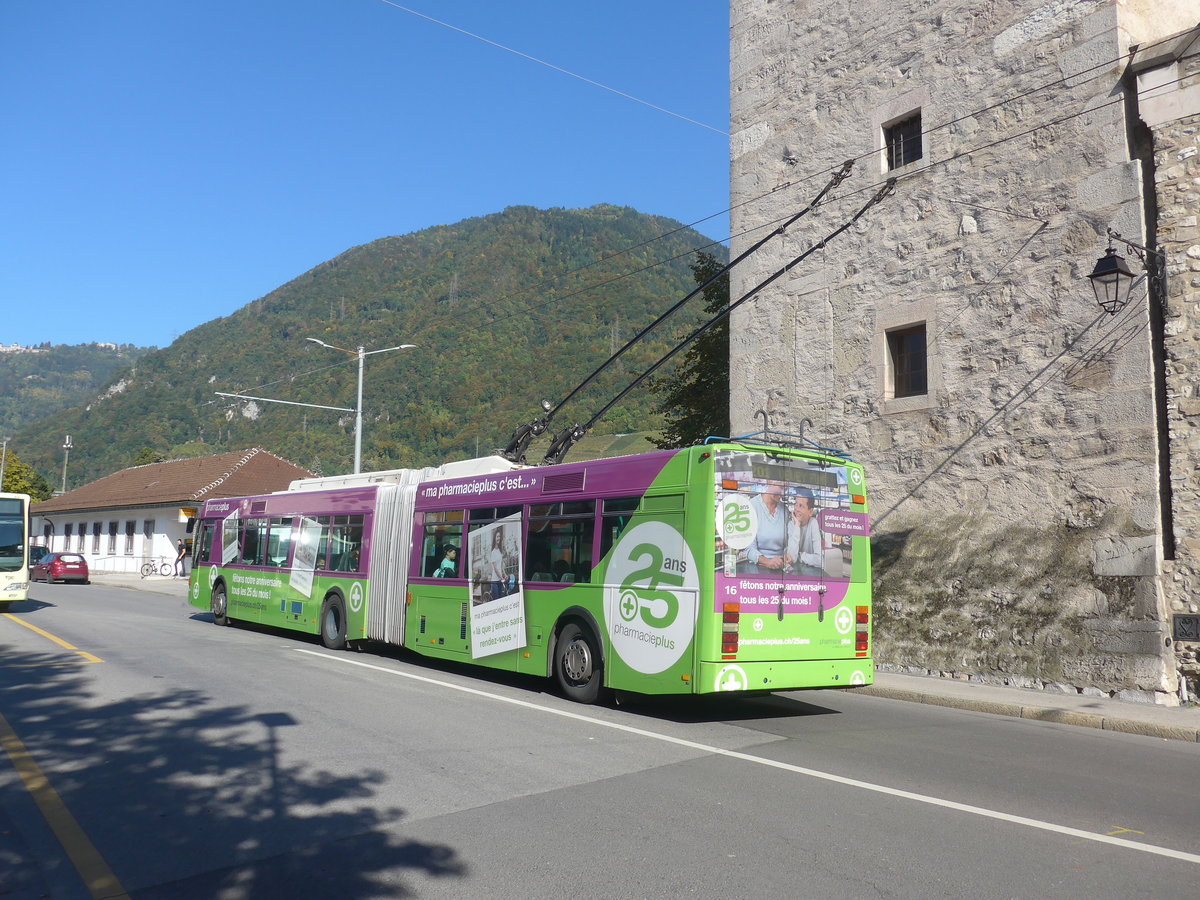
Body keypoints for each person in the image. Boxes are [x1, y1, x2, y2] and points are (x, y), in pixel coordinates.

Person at [743, 482, 788, 573]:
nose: (783, 493)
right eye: (780, 487)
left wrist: (788, 555)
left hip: (780, 567)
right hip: (757, 570)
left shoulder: (784, 510)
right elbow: (748, 549)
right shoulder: (752, 506)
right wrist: (767, 562)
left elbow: (787, 544)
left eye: (786, 489)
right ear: (770, 482)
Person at [786, 489, 825, 574]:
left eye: (801, 506)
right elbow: (792, 558)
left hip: (810, 574)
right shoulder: (791, 524)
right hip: (794, 573)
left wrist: (800, 556)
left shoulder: (813, 523)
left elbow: (820, 561)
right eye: (796, 504)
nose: (797, 509)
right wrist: (797, 525)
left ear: (810, 512)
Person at [486, 528, 507, 600]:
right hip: (495, 581)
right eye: (497, 536)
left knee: (501, 599)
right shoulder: (493, 552)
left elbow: (501, 565)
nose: (499, 538)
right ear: (495, 538)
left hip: (500, 580)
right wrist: (502, 578)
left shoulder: (500, 551)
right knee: (496, 600)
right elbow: (495, 568)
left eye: (500, 536)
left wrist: (505, 574)